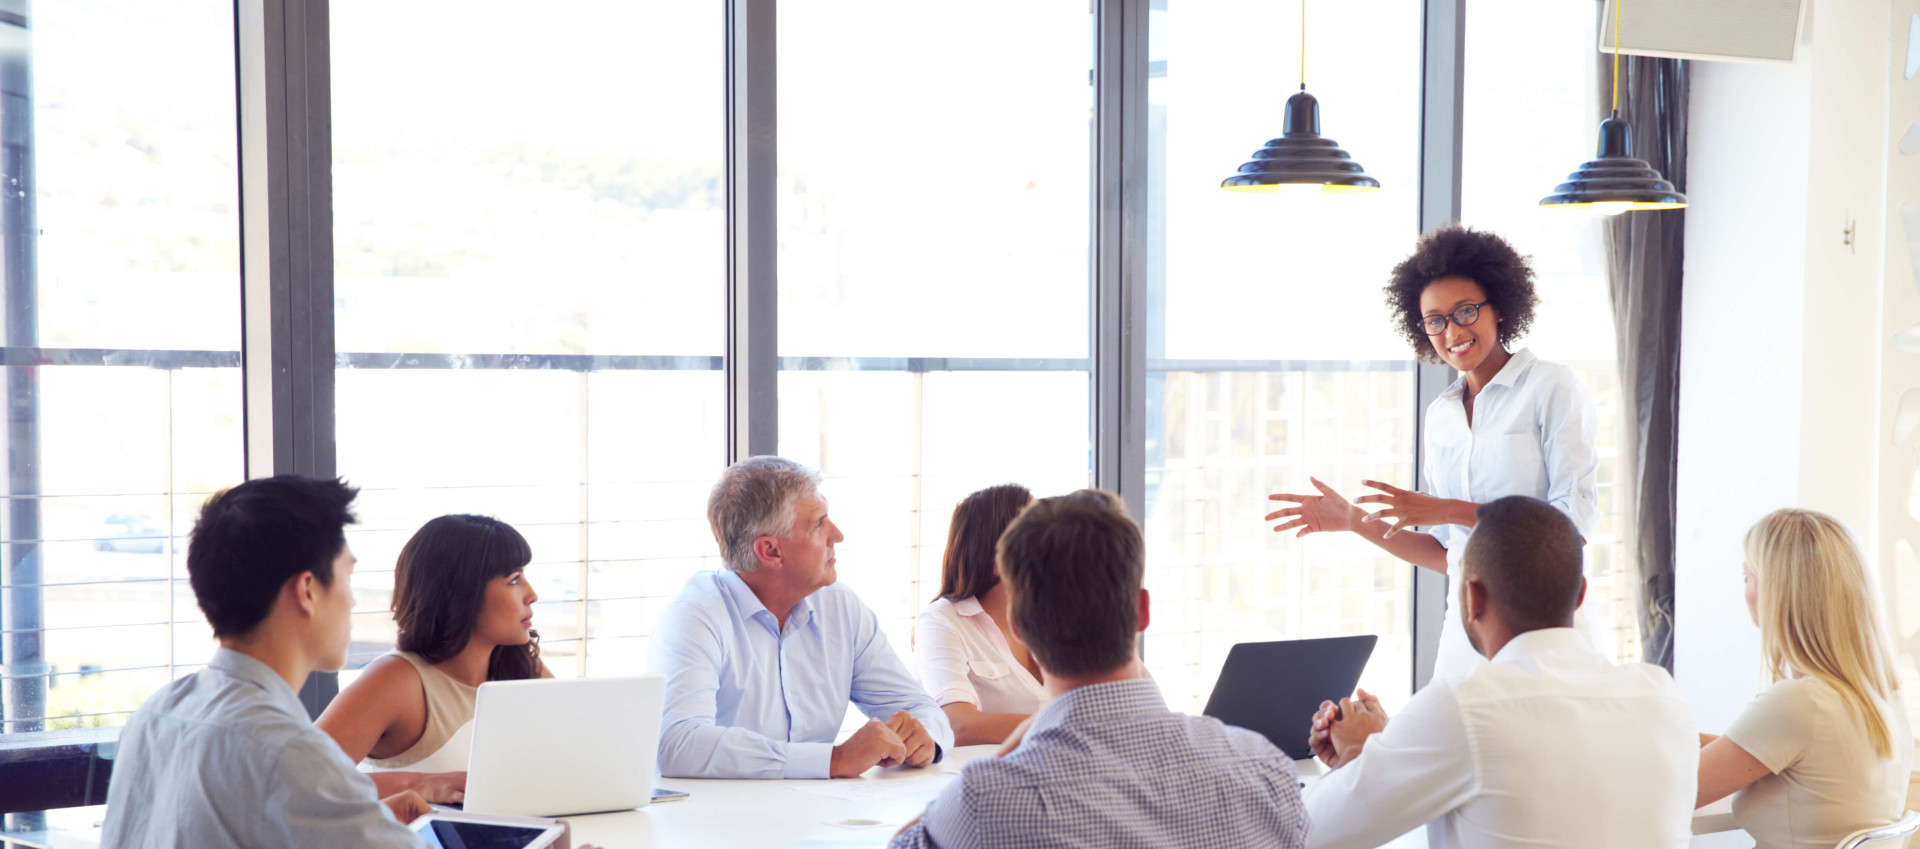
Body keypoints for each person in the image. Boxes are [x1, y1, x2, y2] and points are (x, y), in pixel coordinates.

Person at [1267, 226, 1600, 681]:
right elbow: (1449, 554)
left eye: (1465, 311)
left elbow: (1570, 528)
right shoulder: (1441, 415)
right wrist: (1353, 520)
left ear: (1499, 307)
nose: (1453, 331)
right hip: (1465, 630)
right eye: (1436, 320)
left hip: (1545, 631)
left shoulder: (1550, 387)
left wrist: (1446, 508)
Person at [889, 492, 1308, 849]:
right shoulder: (1265, 769)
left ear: (1018, 624)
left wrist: (1009, 750)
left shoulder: (986, 801)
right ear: (1142, 612)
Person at [1303, 495, 1695, 849]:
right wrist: (1391, 750)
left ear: (1473, 597)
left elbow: (1303, 832)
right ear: (1579, 594)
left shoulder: (1465, 707)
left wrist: (1361, 754)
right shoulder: (1661, 695)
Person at [101, 475, 430, 848]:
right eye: (347, 577)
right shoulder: (287, 750)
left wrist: (360, 820)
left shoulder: (156, 714)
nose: (352, 601)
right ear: (307, 591)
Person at [649, 455, 954, 779]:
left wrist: (925, 739)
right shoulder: (696, 615)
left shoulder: (841, 608)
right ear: (771, 551)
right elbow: (677, 744)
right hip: (718, 823)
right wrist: (833, 760)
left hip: (821, 818)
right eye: (819, 523)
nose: (837, 534)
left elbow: (921, 709)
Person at [1695, 509, 1912, 849]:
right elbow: (1760, 753)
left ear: (1778, 591)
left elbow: (1673, 790)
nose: (1745, 590)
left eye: (1747, 576)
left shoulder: (1798, 703)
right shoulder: (1884, 694)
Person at [316, 514, 551, 803]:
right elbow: (293, 783)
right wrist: (419, 785)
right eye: (514, 580)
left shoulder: (523, 666)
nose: (532, 594)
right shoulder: (396, 680)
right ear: (462, 593)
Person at [913, 484, 1047, 745]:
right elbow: (957, 724)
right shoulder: (942, 621)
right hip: (992, 779)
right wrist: (1069, 729)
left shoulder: (1065, 615)